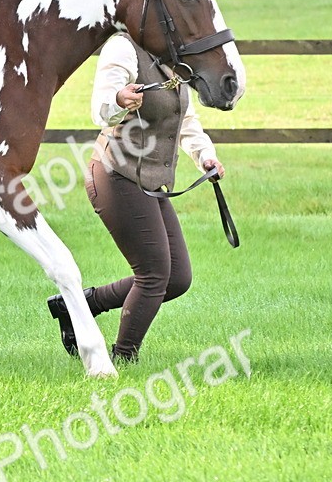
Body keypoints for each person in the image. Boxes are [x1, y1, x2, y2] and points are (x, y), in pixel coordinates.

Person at [47, 31, 225, 364]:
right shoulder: (122, 47)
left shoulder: (173, 55)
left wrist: (204, 155)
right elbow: (101, 110)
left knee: (177, 278)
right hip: (115, 175)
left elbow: (184, 116)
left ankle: (79, 305)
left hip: (150, 180)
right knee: (154, 274)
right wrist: (118, 99)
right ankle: (123, 359)